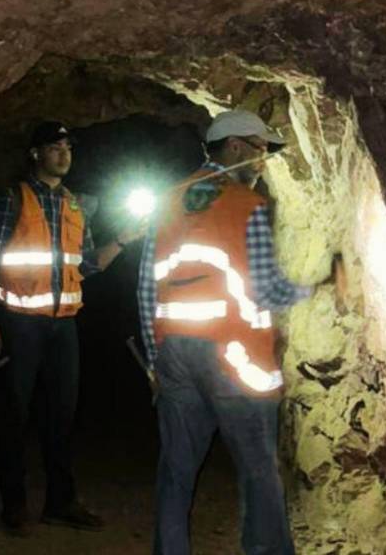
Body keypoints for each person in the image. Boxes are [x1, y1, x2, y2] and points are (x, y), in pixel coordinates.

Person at [137, 109, 344, 555]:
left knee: (176, 470)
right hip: (234, 355)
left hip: (175, 353)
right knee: (257, 470)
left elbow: (144, 286)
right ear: (234, 147)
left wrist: (155, 359)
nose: (263, 159)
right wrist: (321, 286)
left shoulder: (169, 199)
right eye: (259, 149)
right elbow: (266, 290)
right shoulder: (244, 205)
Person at [0, 121, 142, 536]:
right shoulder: (13, 198)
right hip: (19, 324)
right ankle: (14, 506)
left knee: (62, 416)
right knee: (14, 416)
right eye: (54, 147)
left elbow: (85, 266)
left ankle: (60, 502)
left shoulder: (74, 206)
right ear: (35, 154)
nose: (63, 154)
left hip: (63, 327)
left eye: (68, 147)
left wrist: (122, 240)